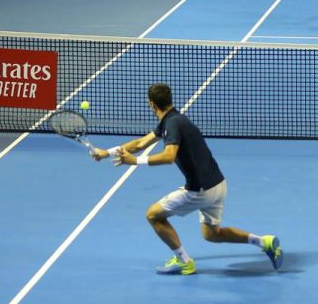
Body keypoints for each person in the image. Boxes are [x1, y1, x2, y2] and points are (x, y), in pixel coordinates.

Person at [91, 83, 283, 275]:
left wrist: (135, 161)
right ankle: (263, 242)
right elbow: (141, 143)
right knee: (212, 234)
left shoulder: (172, 124)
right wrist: (106, 153)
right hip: (218, 184)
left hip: (200, 190)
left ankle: (184, 262)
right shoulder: (174, 119)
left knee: (153, 215)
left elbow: (169, 156)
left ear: (152, 105)